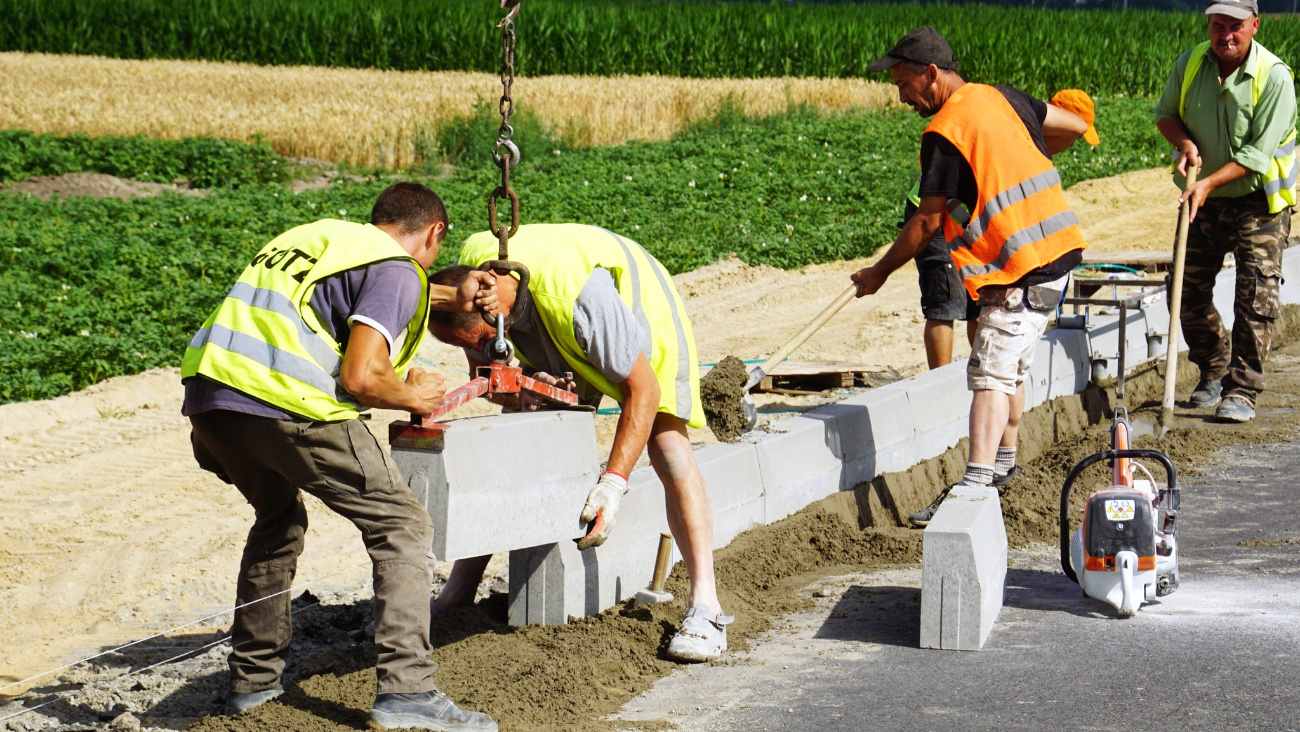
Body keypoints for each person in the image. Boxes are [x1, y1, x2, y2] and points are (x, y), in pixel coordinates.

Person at [181, 182, 498, 732]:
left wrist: (449, 297)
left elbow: (315, 321)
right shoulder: (396, 267)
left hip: (212, 403)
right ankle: (409, 692)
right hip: (285, 403)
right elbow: (360, 376)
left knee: (278, 518)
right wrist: (413, 394)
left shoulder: (315, 237)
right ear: (435, 233)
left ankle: (253, 685)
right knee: (400, 523)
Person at [425, 223, 733, 663]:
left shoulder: (578, 299)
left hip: (638, 313)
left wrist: (613, 484)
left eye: (478, 341)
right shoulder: (473, 269)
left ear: (494, 317)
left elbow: (642, 392)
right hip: (551, 323)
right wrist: (527, 389)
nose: (475, 352)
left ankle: (706, 607)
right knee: (521, 428)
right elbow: (489, 379)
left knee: (666, 445)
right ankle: (458, 594)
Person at [851, 27, 1095, 526]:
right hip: (1058, 256)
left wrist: (879, 272)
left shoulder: (946, 131)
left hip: (1024, 271)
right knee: (1011, 370)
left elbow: (927, 222)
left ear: (931, 74)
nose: (901, 97)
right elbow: (1071, 124)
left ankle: (975, 484)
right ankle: (1002, 467)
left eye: (903, 84)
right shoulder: (1001, 98)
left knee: (989, 376)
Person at [1154, 0, 1297, 423]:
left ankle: (1243, 390)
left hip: (1259, 203)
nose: (1226, 35)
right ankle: (1214, 369)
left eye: (1235, 26)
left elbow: (1256, 155)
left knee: (1255, 296)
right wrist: (1184, 144)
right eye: (1218, 26)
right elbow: (1166, 115)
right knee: (1186, 290)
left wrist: (1208, 182)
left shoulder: (1274, 78)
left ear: (1255, 25)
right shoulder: (1191, 63)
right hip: (1203, 200)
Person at [904, 178, 981, 370]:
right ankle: (939, 382)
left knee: (983, 301)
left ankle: (986, 378)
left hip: (974, 217)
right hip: (934, 210)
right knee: (944, 304)